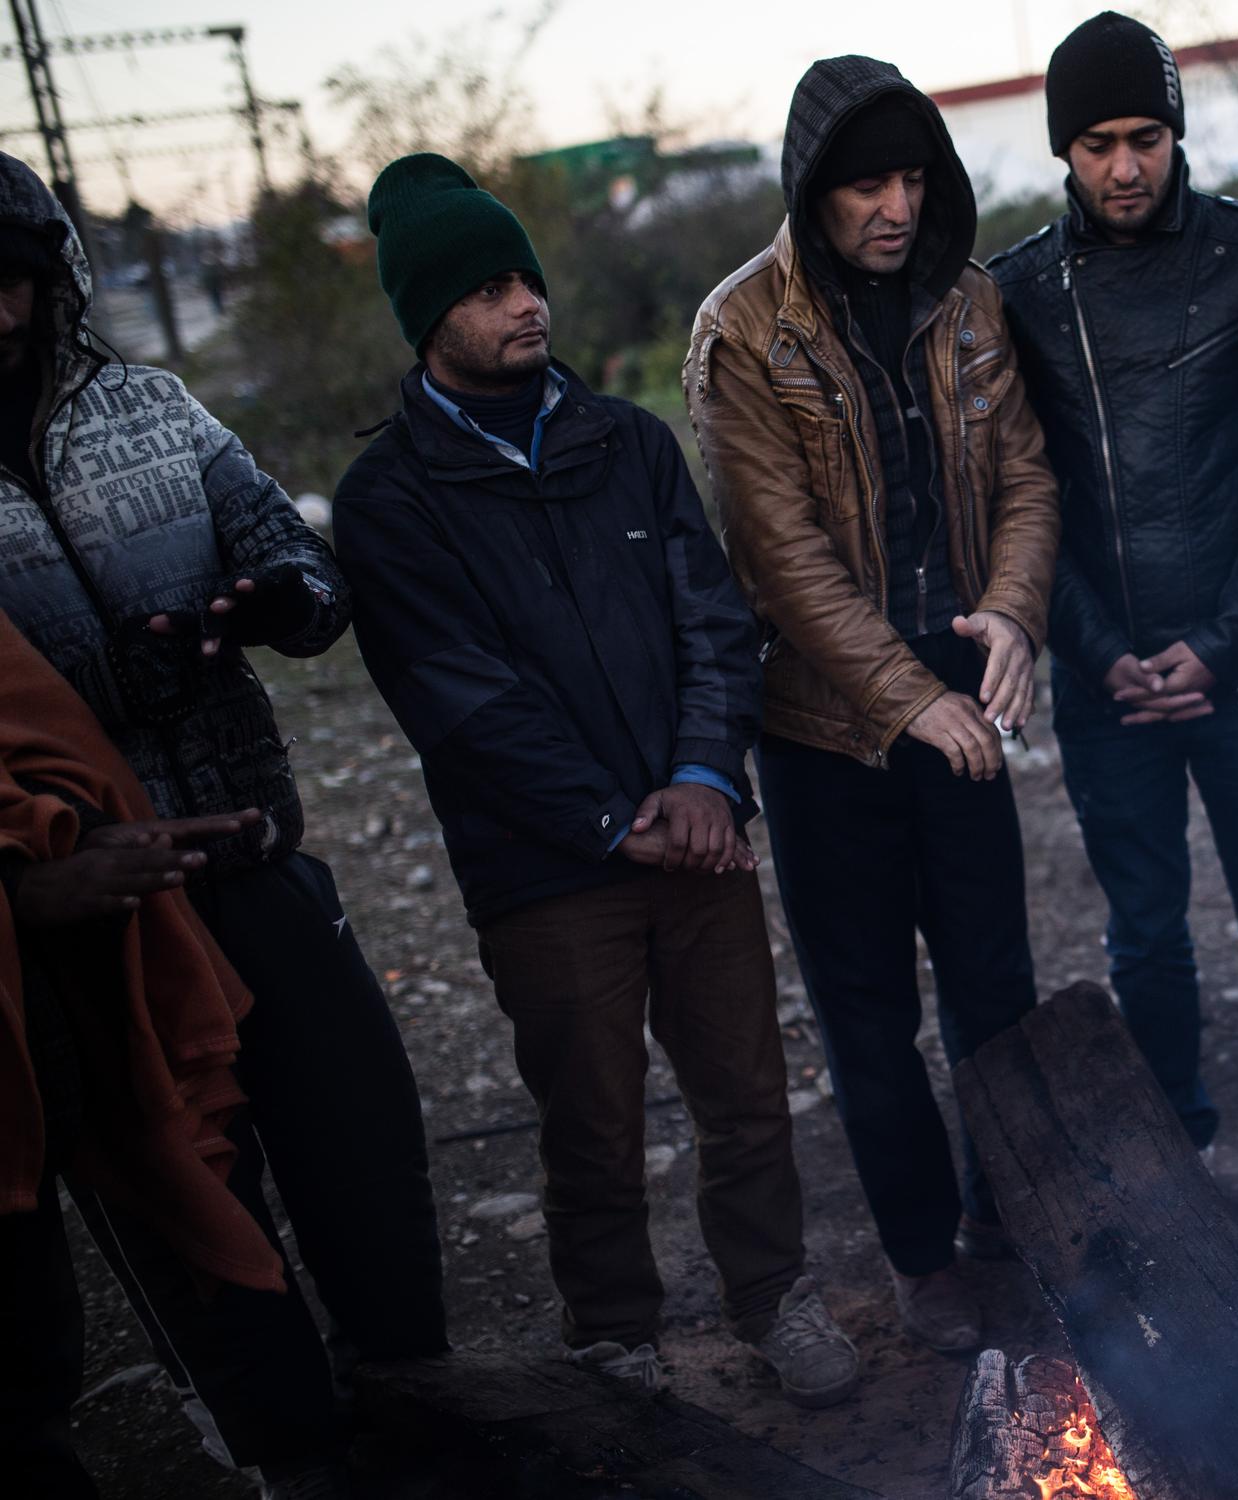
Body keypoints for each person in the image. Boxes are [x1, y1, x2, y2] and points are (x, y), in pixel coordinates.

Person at [333, 154, 859, 1408]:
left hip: (697, 832)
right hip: (549, 869)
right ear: (428, 318)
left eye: (527, 276)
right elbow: (457, 700)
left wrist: (699, 779)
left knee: (746, 1090)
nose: (526, 304)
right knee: (590, 1116)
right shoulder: (387, 500)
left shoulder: (625, 441)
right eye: (486, 288)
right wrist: (615, 819)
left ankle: (773, 1297)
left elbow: (714, 623)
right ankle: (615, 1339)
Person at [0, 151, 444, 1497]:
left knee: (360, 1151)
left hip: (252, 855)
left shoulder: (150, 407)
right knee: (200, 1217)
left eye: (14, 287)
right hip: (97, 925)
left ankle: (418, 1410)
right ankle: (292, 1457)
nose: (1, 323)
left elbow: (304, 570)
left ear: (50, 279)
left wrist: (260, 605)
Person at [686, 57, 1059, 1352]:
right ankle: (921, 1255)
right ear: (812, 189)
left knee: (994, 980)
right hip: (821, 729)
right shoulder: (744, 328)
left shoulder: (966, 299)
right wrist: (907, 699)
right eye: (866, 184)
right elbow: (775, 556)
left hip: (956, 682)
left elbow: (1022, 475)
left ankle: (1014, 1214)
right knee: (866, 1013)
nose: (894, 206)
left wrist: (1010, 614)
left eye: (911, 177)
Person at [986, 12, 1238, 1240]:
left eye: (1144, 137)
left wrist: (1225, 640)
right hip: (1105, 677)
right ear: (1066, 151)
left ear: (1175, 132)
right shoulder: (1017, 292)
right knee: (1144, 929)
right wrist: (1100, 652)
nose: (1124, 167)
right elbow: (1016, 489)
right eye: (1097, 143)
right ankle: (1177, 1150)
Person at [1, 607, 283, 1500]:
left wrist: (81, 832)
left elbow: (38, 732)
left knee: (32, 1358)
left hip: (31, 1046)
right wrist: (23, 887)